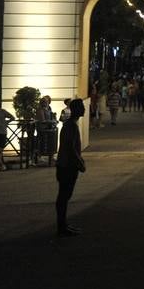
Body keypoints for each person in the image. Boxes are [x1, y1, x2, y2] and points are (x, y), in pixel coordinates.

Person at [55, 98, 86, 236]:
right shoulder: (71, 126)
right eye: (82, 107)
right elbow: (71, 147)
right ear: (77, 109)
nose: (84, 109)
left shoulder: (70, 125)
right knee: (64, 195)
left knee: (64, 195)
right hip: (67, 165)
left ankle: (63, 224)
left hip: (65, 164)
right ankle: (61, 226)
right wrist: (80, 162)